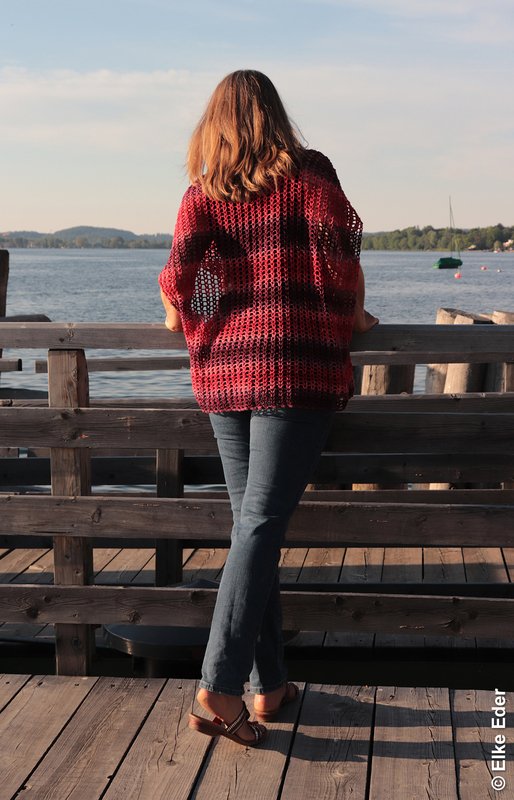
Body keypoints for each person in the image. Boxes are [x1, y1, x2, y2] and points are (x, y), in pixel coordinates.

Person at [159, 69, 378, 748]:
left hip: (224, 374)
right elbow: (340, 255)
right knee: (257, 527)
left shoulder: (204, 194)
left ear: (214, 124)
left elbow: (181, 287)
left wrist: (195, 317)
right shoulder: (310, 175)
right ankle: (219, 687)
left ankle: (269, 684)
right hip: (293, 368)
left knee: (252, 529)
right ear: (274, 115)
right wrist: (352, 316)